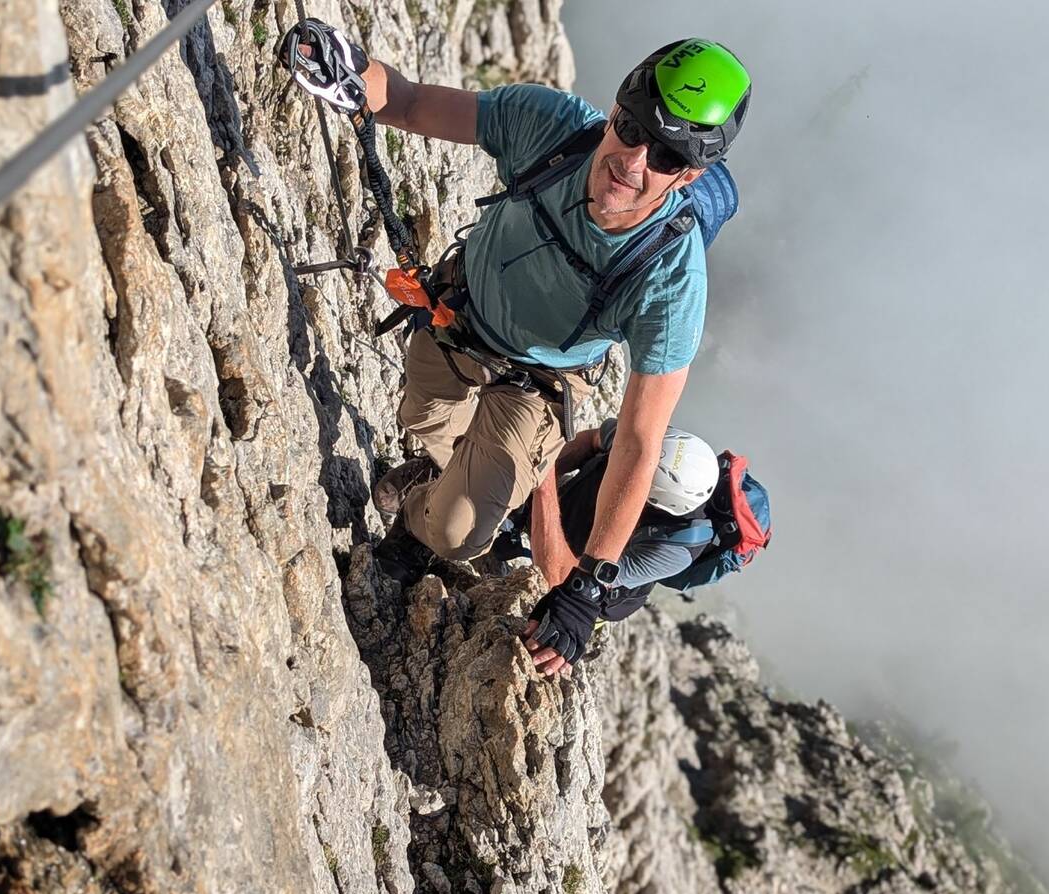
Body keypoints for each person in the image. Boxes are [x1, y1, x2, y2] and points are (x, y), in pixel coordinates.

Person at [278, 24, 753, 674]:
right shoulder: (554, 130)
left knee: (458, 532)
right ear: (615, 110)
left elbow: (641, 442)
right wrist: (353, 73)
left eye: (667, 157)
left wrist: (586, 589)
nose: (634, 162)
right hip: (459, 316)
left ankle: (420, 531)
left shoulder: (671, 281)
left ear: (692, 173)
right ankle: (446, 475)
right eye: (633, 128)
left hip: (539, 383)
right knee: (422, 421)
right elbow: (412, 102)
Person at [513, 421, 721, 675]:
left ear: (652, 499)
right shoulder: (643, 439)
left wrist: (542, 483)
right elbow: (591, 441)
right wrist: (541, 468)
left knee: (580, 570)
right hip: (581, 509)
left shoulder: (676, 548)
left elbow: (563, 576)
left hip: (606, 587)